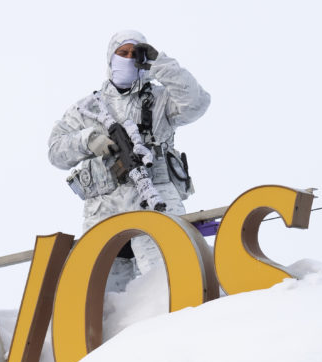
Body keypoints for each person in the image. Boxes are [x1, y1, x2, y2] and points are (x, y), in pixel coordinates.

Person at [48, 29, 210, 291]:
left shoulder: (160, 99)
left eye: (135, 54)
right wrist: (88, 140)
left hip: (155, 198)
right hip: (103, 210)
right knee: (101, 296)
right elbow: (55, 150)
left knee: (172, 280)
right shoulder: (86, 108)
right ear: (110, 58)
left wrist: (160, 64)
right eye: (122, 53)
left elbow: (197, 103)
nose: (128, 58)